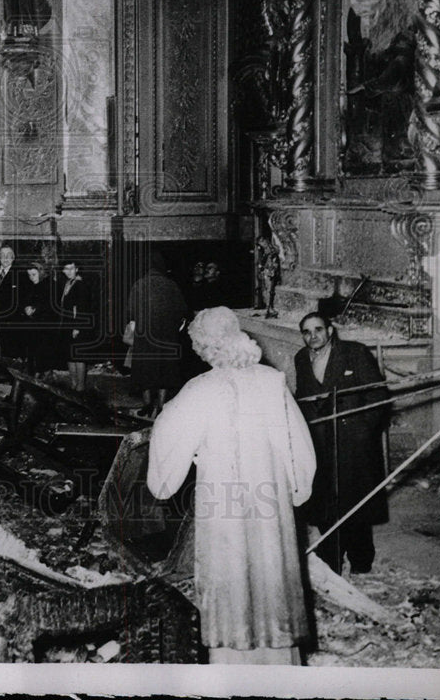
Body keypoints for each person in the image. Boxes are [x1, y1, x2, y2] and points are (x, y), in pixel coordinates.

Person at [148, 306, 316, 665]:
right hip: (270, 509)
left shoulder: (201, 389)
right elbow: (300, 446)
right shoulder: (273, 382)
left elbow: (166, 436)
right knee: (272, 576)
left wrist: (165, 479)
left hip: (224, 507)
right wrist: (299, 486)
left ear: (206, 347)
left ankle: (233, 671)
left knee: (231, 581)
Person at [294, 312, 391, 575]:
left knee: (355, 503)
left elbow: (378, 396)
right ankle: (331, 561)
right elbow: (302, 398)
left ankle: (361, 563)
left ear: (330, 330)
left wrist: (362, 432)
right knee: (324, 504)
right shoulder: (301, 359)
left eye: (318, 329)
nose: (313, 336)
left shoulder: (355, 353)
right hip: (319, 444)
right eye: (306, 331)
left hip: (352, 446)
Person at [125, 251, 189, 419]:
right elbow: (182, 311)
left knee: (145, 369)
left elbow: (131, 311)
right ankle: (160, 406)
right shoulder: (171, 285)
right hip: (166, 335)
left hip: (145, 335)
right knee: (165, 369)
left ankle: (147, 405)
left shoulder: (139, 284)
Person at [58, 260, 93, 392]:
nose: (69, 272)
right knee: (69, 356)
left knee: (78, 357)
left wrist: (77, 327)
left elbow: (82, 308)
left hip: (77, 326)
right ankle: (73, 385)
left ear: (77, 269)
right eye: (66, 269)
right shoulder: (68, 284)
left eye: (71, 269)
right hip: (68, 324)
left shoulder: (80, 285)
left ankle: (80, 387)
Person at [18, 261, 56, 375]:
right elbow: (23, 301)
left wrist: (35, 309)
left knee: (43, 356)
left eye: (34, 274)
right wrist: (25, 309)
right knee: (31, 354)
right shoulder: (30, 285)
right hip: (31, 326)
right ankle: (33, 378)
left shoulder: (50, 285)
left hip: (45, 327)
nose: (31, 277)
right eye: (29, 275)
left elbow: (51, 305)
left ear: (41, 272)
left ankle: (44, 378)